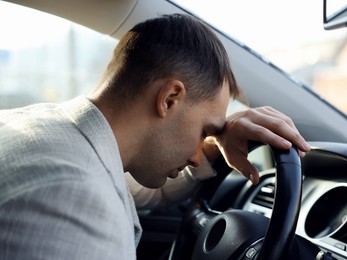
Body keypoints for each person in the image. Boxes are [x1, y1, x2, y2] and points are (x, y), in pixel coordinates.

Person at [0, 13, 310, 259]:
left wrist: (215, 144)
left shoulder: (47, 132)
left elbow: (145, 190)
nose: (195, 154)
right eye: (204, 131)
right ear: (170, 98)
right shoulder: (78, 201)